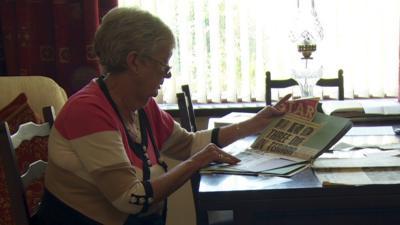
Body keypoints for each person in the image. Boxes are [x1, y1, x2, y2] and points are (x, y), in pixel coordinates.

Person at [35, 7, 291, 225]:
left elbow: (189, 144)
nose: (166, 76)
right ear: (135, 62)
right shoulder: (88, 111)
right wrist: (195, 164)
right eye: (163, 66)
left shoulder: (140, 104)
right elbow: (131, 198)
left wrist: (255, 123)